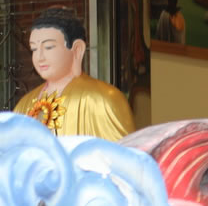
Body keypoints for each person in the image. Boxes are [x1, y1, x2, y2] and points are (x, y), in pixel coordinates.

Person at [15, 7, 135, 140]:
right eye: (34, 49)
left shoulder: (102, 100)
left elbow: (121, 151)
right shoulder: (23, 105)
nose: (39, 57)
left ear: (77, 49)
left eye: (48, 47)